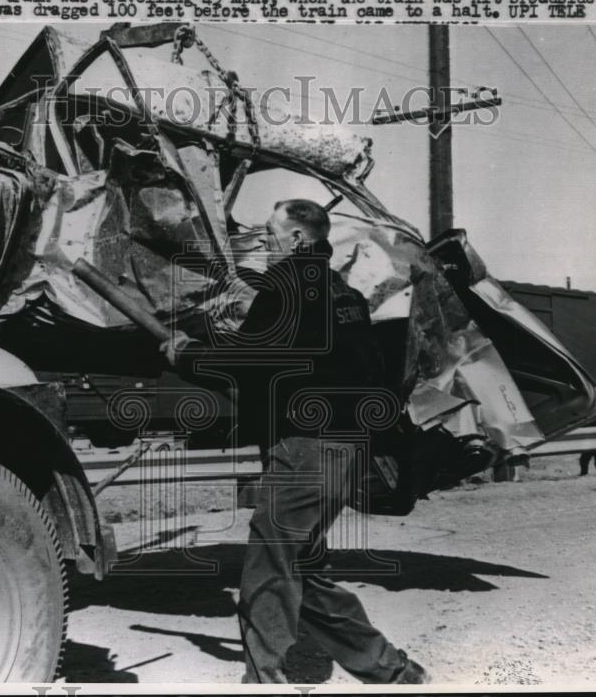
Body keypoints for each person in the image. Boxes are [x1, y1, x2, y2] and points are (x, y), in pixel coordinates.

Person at [162, 199, 430, 684]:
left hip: (307, 452)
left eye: (270, 235)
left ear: (299, 239)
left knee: (268, 569)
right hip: (345, 451)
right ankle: (392, 670)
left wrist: (186, 355)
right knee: (303, 568)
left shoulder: (285, 287)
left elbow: (248, 360)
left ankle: (264, 681)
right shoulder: (343, 293)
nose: (263, 244)